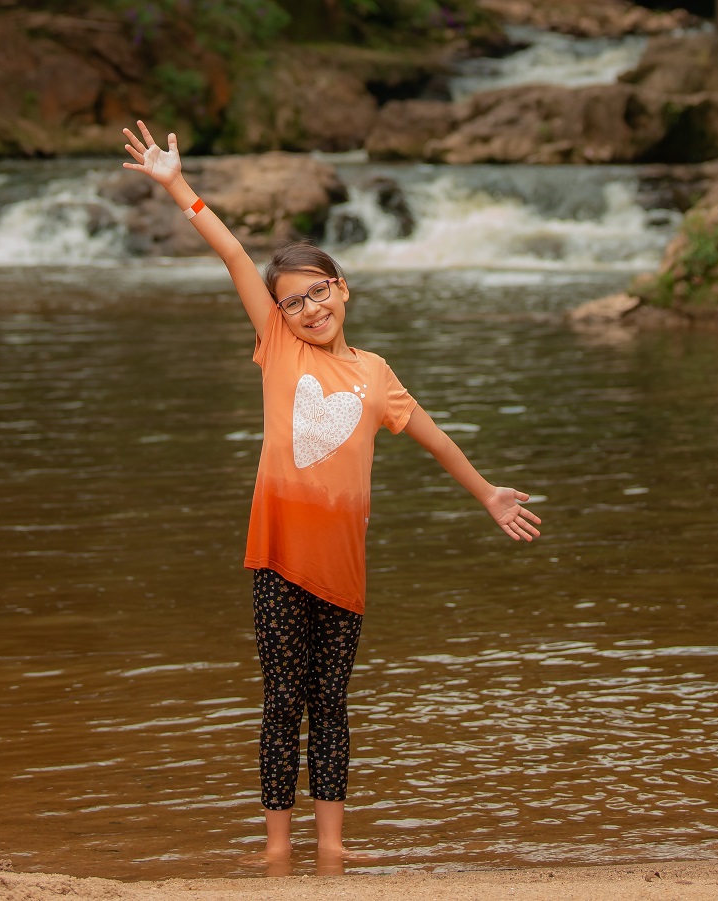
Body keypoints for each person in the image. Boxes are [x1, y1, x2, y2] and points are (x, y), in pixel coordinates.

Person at [121, 120, 542, 867]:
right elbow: (232, 255)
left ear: (342, 287)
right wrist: (176, 185)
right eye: (294, 302)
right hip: (279, 555)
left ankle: (334, 844)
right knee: (284, 700)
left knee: (333, 705)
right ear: (277, 316)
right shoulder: (276, 344)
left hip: (343, 568)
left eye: (318, 292)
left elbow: (436, 439)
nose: (310, 309)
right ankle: (277, 847)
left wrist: (486, 496)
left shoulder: (377, 374)